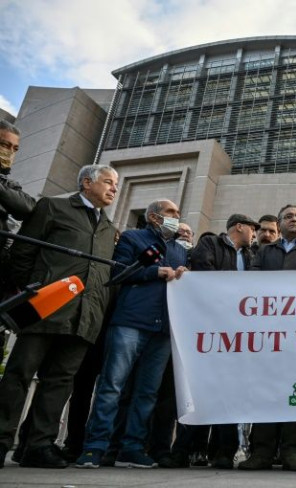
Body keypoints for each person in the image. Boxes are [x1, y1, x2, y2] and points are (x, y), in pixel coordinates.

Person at [0, 164, 118, 469]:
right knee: (19, 375)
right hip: (44, 309)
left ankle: (38, 446)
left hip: (84, 316)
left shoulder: (108, 227)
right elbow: (23, 252)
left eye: (116, 185)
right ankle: (1, 440)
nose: (114, 189)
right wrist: (32, 289)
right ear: (87, 183)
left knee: (60, 382)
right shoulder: (53, 206)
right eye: (108, 182)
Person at [76, 199, 188, 469]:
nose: (177, 217)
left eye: (177, 213)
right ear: (153, 217)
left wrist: (184, 275)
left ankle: (132, 448)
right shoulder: (132, 238)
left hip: (162, 330)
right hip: (130, 322)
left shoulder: (179, 250)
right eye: (171, 212)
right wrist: (155, 272)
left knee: (147, 392)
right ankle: (95, 447)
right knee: (112, 387)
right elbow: (119, 271)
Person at [164, 214, 260, 469]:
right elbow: (204, 275)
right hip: (208, 330)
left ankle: (224, 453)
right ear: (239, 227)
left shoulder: (251, 257)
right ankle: (181, 451)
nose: (254, 234)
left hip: (237, 334)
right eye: (253, 229)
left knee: (230, 393)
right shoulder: (210, 245)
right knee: (199, 390)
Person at [239, 204, 296, 472]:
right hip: (268, 332)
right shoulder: (264, 251)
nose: (295, 220)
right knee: (266, 391)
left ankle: (291, 451)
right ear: (279, 223)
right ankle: (262, 452)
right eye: (289, 216)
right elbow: (252, 281)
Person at [0, 120, 35, 369]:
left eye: (14, 148)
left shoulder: (8, 184)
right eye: (3, 144)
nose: (9, 152)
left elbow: (26, 207)